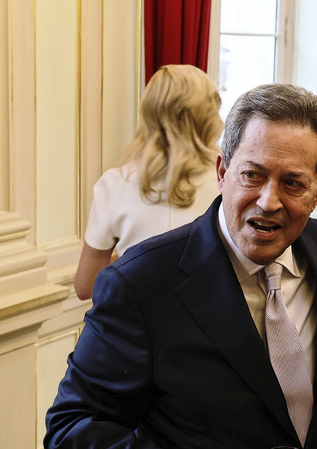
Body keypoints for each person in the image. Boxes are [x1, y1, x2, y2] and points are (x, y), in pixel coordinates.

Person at [45, 84, 317, 449]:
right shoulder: (141, 282)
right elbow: (72, 429)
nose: (268, 201)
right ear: (222, 172)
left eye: (292, 183)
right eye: (252, 175)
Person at [74, 64, 223, 300]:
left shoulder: (114, 184)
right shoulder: (229, 181)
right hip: (209, 324)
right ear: (209, 114)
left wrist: (134, 256)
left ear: (148, 112)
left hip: (132, 329)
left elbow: (86, 286)